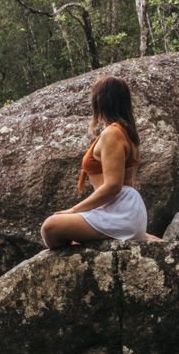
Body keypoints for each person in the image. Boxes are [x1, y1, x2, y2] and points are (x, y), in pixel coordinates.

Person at [40, 76, 152, 249]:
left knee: (50, 227)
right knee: (57, 227)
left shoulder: (112, 133)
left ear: (100, 102)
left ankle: (84, 257)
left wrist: (75, 210)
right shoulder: (126, 131)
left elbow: (113, 186)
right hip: (123, 209)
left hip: (120, 210)